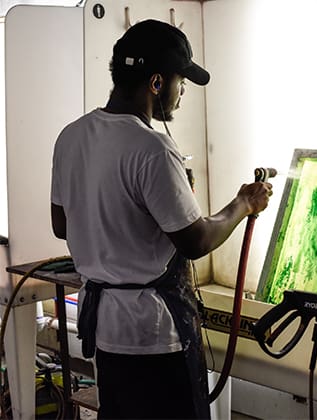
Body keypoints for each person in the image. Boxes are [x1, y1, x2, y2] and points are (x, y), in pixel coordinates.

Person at [50, 19, 272, 419]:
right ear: (156, 83)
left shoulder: (71, 136)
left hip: (103, 330)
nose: (182, 91)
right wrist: (243, 204)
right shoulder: (153, 148)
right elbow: (196, 241)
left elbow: (62, 225)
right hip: (154, 336)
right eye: (179, 81)